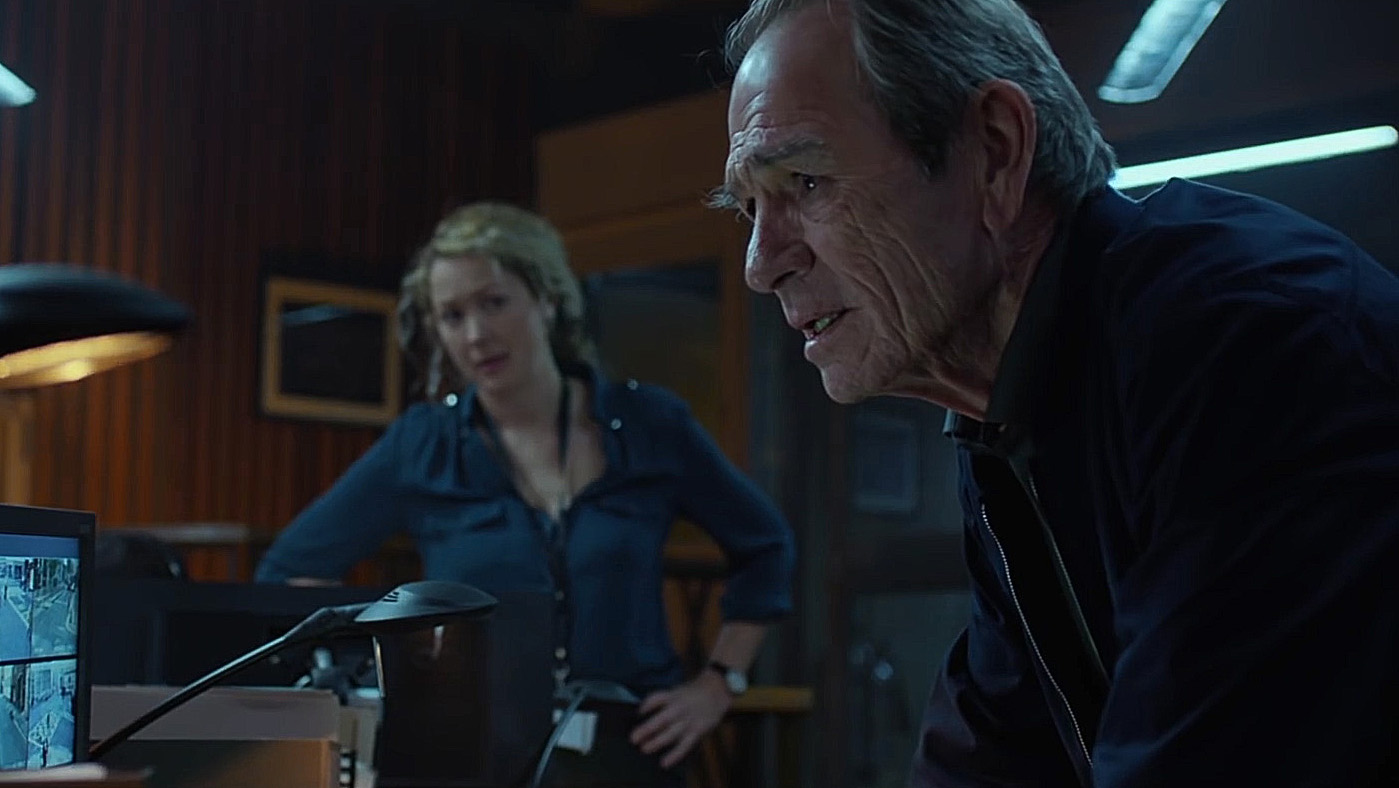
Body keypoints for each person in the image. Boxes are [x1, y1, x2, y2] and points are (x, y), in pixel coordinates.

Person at [717, 1, 1399, 786]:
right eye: (749, 208)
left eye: (805, 181)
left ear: (995, 152)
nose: (760, 265)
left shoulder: (1245, 345)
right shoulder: (1008, 410)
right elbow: (998, 747)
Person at [255, 202, 796, 783]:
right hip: (479, 759)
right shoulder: (424, 443)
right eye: (452, 315)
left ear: (547, 297)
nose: (476, 334)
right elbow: (288, 573)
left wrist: (719, 683)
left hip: (632, 751)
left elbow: (767, 547)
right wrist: (389, 674)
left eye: (494, 303)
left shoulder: (652, 425)